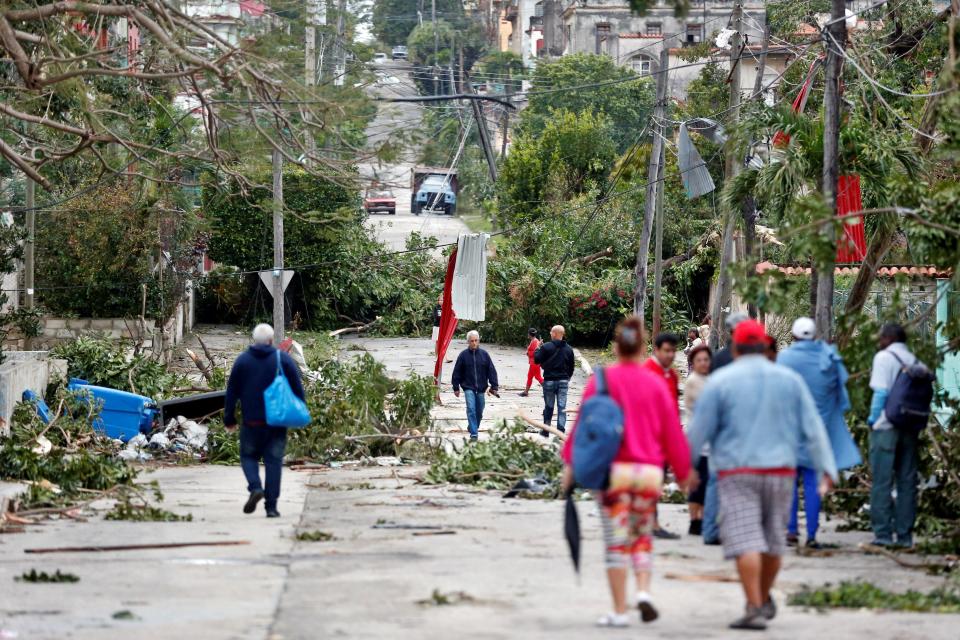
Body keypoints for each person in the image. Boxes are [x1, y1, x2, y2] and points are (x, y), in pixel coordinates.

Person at [688, 319, 837, 630]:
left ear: (737, 348)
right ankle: (763, 595)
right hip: (781, 471)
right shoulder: (789, 380)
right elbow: (813, 427)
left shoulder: (721, 381)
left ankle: (755, 605)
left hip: (736, 471)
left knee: (745, 541)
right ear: (766, 347)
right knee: (772, 541)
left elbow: (700, 430)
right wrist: (827, 468)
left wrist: (686, 467)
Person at [561, 316, 693, 628]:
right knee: (642, 536)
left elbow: (581, 428)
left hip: (614, 474)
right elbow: (672, 433)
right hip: (648, 474)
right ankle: (644, 592)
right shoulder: (657, 383)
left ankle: (620, 611)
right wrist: (685, 473)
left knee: (617, 541)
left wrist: (569, 466)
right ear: (644, 346)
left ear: (617, 346)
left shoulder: (601, 380)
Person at [778, 317, 862, 549]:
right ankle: (812, 534)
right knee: (814, 485)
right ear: (814, 335)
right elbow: (840, 396)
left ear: (793, 336)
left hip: (790, 433)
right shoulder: (829, 358)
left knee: (789, 483)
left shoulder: (784, 359)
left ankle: (791, 530)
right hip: (819, 433)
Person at [224, 323, 306, 519]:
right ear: (270, 340)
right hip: (276, 423)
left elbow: (231, 392)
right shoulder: (282, 359)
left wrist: (229, 418)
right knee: (273, 462)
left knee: (248, 456)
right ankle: (271, 507)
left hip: (251, 422)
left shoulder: (242, 361)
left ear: (254, 340)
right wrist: (299, 409)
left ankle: (255, 487)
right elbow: (297, 388)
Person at [867, 323, 919, 548]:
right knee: (907, 482)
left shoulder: (884, 357)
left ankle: (883, 535)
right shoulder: (913, 359)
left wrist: (872, 420)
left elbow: (881, 393)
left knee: (882, 481)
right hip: (909, 426)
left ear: (888, 337)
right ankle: (905, 537)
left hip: (886, 427)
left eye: (881, 337)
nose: (879, 340)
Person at [702, 311, 748, 545]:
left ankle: (710, 529)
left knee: (715, 479)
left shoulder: (719, 359)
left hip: (720, 427)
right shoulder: (751, 360)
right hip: (743, 429)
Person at [644, 333, 681, 539]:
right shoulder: (648, 372)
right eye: (666, 350)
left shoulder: (671, 375)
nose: (670, 355)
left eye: (673, 351)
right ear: (656, 350)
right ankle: (652, 524)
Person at [451, 330, 500, 442]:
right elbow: (457, 371)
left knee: (480, 410)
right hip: (468, 387)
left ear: (478, 341)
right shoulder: (463, 356)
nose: (474, 343)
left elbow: (491, 371)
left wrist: (494, 386)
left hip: (481, 388)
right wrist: (456, 387)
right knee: (471, 409)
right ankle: (474, 434)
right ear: (468, 342)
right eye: (471, 341)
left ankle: (472, 426)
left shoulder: (484, 355)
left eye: (475, 340)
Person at [684, 344, 712, 536]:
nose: (703, 363)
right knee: (697, 482)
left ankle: (702, 517)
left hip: (710, 440)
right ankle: (694, 519)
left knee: (707, 481)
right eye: (699, 360)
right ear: (693, 363)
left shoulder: (713, 380)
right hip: (696, 438)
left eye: (706, 360)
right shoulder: (693, 381)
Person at [534, 325, 575, 436]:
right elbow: (571, 367)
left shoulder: (546, 347)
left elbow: (537, 360)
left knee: (549, 406)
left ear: (556, 334)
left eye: (551, 332)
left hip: (549, 381)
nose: (550, 334)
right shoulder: (569, 349)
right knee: (562, 406)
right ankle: (560, 431)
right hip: (563, 381)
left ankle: (546, 430)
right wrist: (567, 378)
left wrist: (538, 348)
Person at [520, 328, 544, 397]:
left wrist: (528, 353)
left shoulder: (534, 342)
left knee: (538, 377)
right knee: (530, 376)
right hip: (533, 362)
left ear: (530, 334)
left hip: (534, 362)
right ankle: (526, 392)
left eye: (528, 333)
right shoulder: (534, 340)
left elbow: (535, 353)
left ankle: (548, 390)